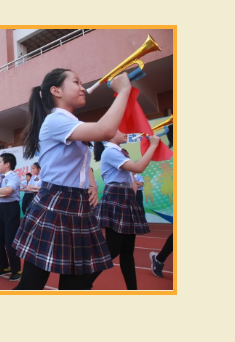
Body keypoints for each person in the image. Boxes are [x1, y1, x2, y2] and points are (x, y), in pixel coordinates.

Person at [13, 69, 132, 290]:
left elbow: (82, 163)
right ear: (56, 90)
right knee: (31, 286)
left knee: (77, 286)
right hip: (56, 202)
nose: (82, 87)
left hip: (77, 203)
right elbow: (105, 130)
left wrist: (92, 184)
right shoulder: (56, 120)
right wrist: (124, 90)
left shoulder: (71, 122)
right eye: (76, 82)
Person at [86, 131, 160, 290]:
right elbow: (138, 167)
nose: (125, 132)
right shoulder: (111, 151)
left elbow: (132, 174)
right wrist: (153, 146)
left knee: (127, 252)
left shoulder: (118, 151)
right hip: (116, 198)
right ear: (110, 134)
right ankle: (83, 282)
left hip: (124, 197)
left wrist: (132, 183)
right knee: (113, 249)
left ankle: (132, 290)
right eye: (120, 129)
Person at [0, 152, 22, 281]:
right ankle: (3, 267)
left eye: (0, 162)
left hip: (11, 208)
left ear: (7, 164)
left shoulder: (14, 177)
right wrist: (0, 193)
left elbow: (8, 191)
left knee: (10, 240)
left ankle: (16, 269)